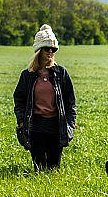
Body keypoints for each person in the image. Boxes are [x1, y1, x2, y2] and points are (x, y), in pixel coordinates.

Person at [13, 24, 77, 170]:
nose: (50, 52)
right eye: (47, 48)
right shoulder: (27, 75)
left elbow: (70, 101)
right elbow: (19, 99)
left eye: (53, 49)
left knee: (54, 168)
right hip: (36, 127)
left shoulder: (61, 73)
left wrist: (70, 123)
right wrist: (21, 122)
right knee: (39, 168)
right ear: (38, 51)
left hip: (56, 126)